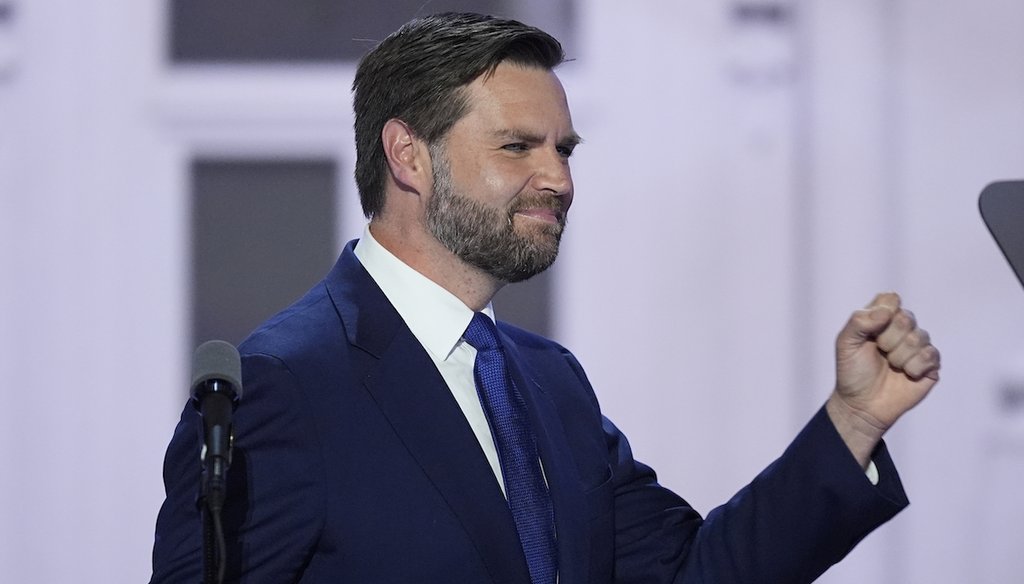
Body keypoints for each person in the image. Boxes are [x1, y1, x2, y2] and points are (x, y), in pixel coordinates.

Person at [150, 12, 941, 584]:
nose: (559, 178)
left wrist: (853, 422)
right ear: (408, 156)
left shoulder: (549, 382)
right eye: (516, 146)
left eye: (563, 149)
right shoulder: (283, 384)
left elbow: (694, 574)